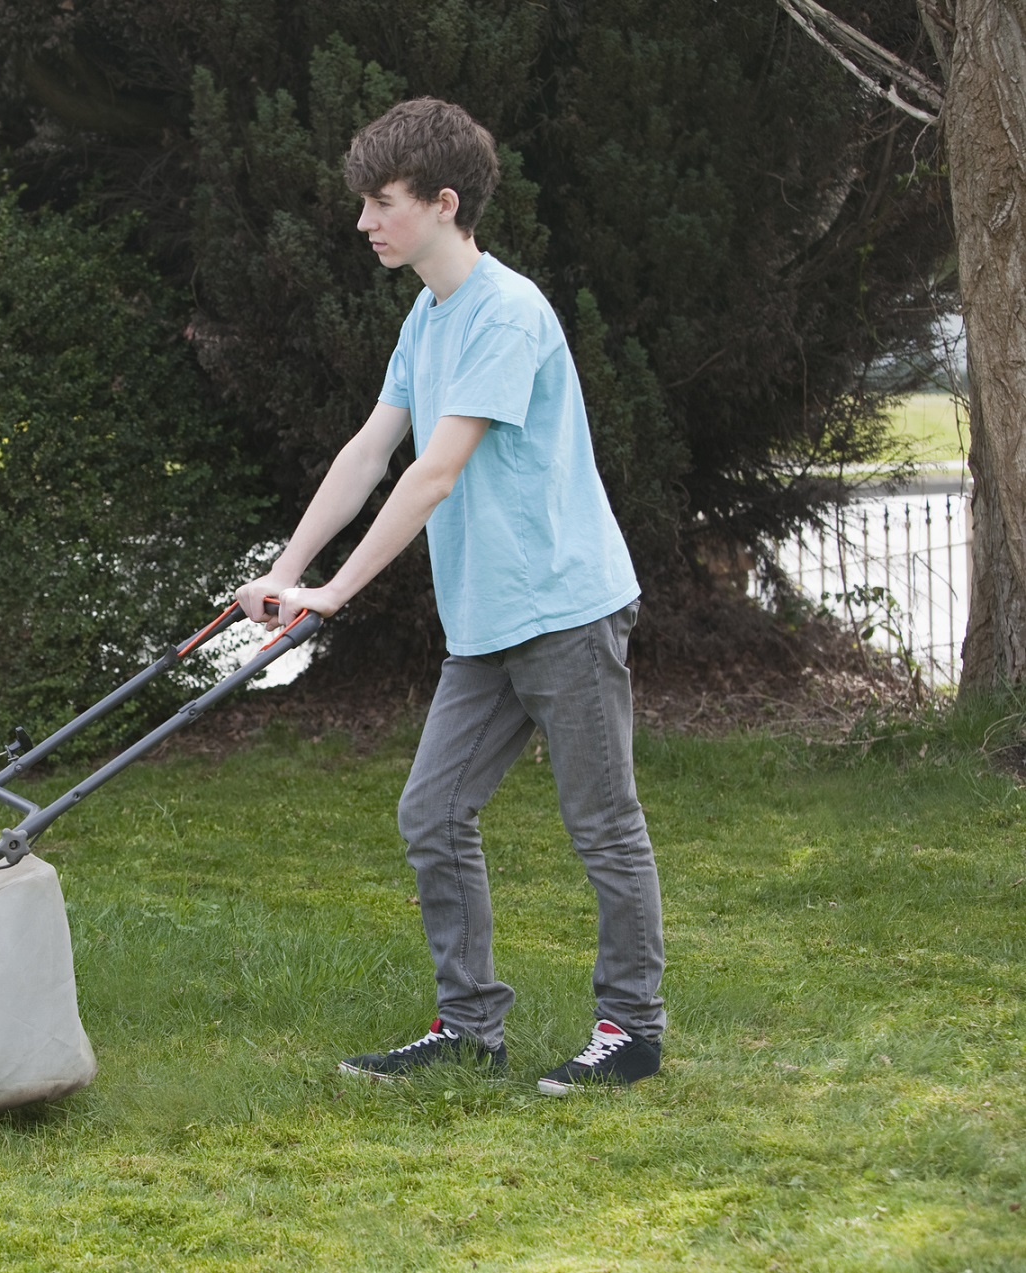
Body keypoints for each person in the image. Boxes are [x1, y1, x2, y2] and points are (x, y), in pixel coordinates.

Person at [236, 97, 665, 1097]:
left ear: (443, 201)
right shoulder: (427, 315)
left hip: (564, 608)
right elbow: (369, 450)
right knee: (432, 812)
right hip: (488, 622)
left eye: (381, 203)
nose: (362, 223)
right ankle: (470, 1027)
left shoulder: (506, 315)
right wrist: (286, 570)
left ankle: (631, 1031)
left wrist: (335, 593)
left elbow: (433, 473)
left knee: (602, 825)